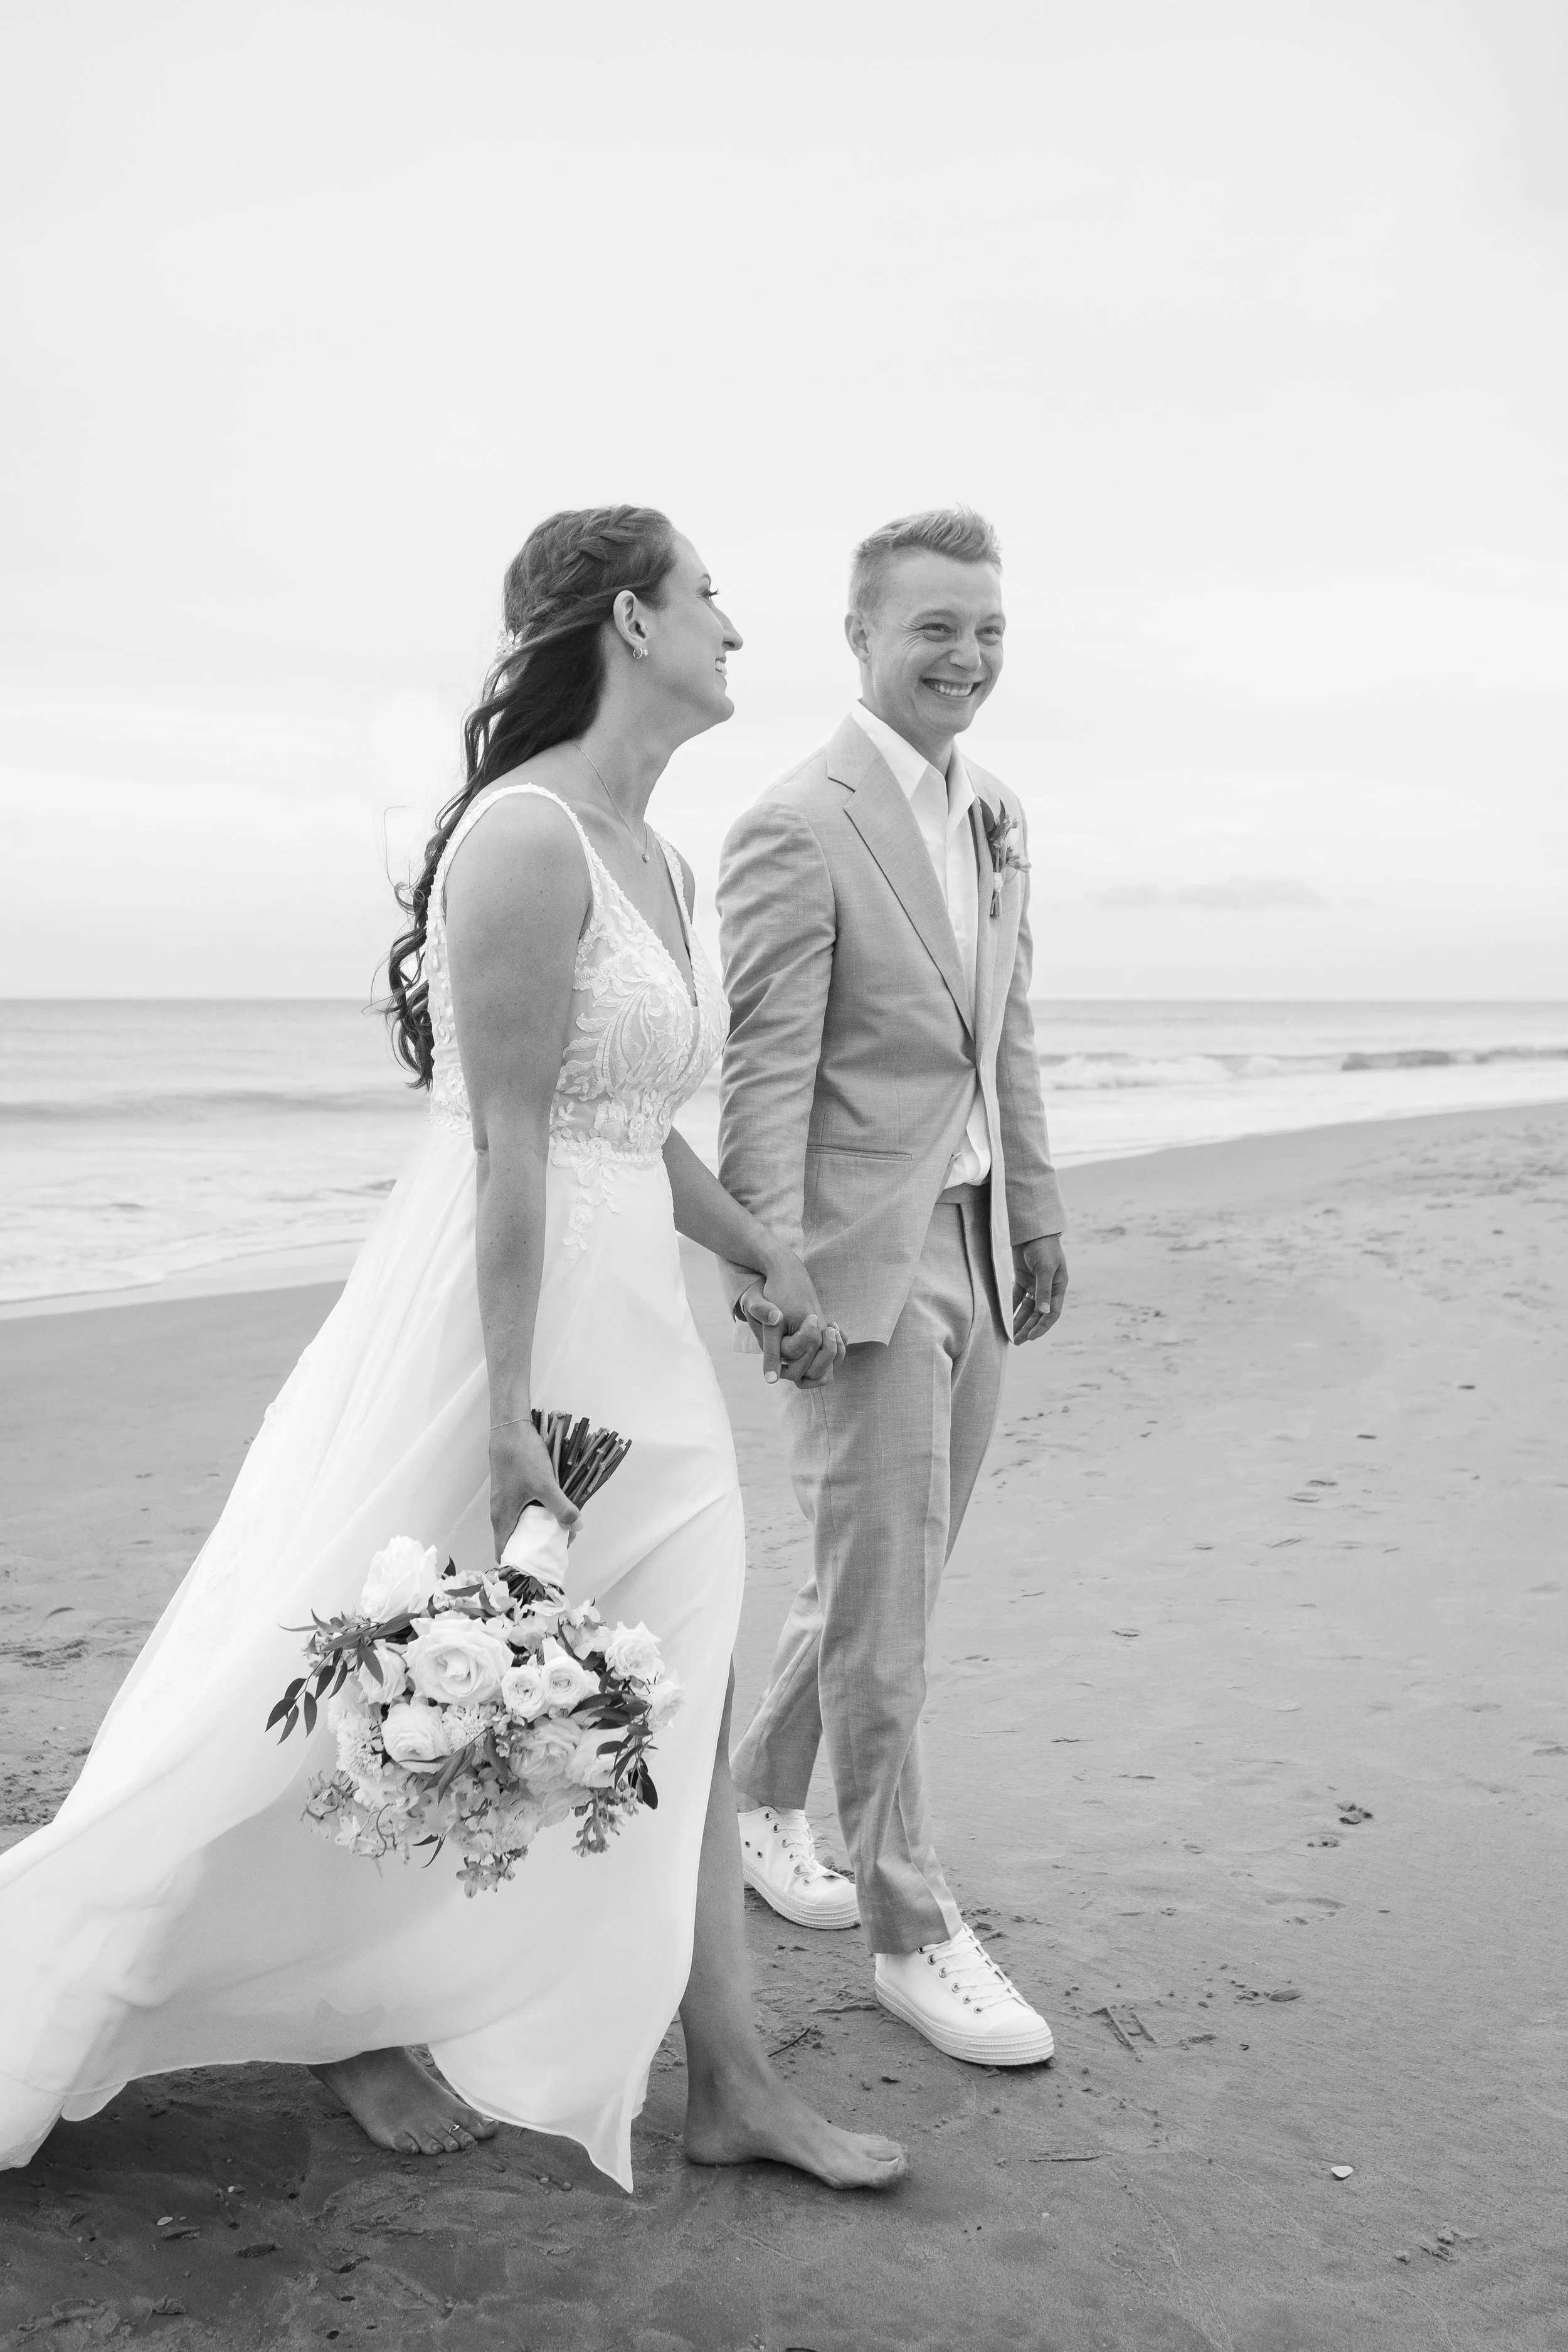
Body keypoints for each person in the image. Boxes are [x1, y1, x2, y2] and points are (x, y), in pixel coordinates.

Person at [0, 505, 906, 2195]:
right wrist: (502, 1418)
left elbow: (629, 1125)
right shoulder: (523, 836)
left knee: (682, 1688)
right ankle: (314, 1995)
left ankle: (728, 2075)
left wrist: (760, 1247)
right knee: (334, 1677)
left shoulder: (664, 855)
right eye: (708, 595)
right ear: (631, 621)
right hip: (508, 1320)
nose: (733, 623)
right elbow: (506, 1142)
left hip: (644, 1321)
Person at [718, 507, 1069, 2067]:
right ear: (859, 636)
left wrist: (1039, 1215)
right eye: (935, 628)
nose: (967, 658)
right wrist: (767, 1266)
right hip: (858, 1264)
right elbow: (763, 1075)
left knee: (888, 1584)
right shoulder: (799, 822)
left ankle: (754, 1804)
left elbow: (1010, 1039)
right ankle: (909, 1926)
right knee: (881, 1610)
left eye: (987, 629)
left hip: (979, 1242)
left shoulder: (992, 810)